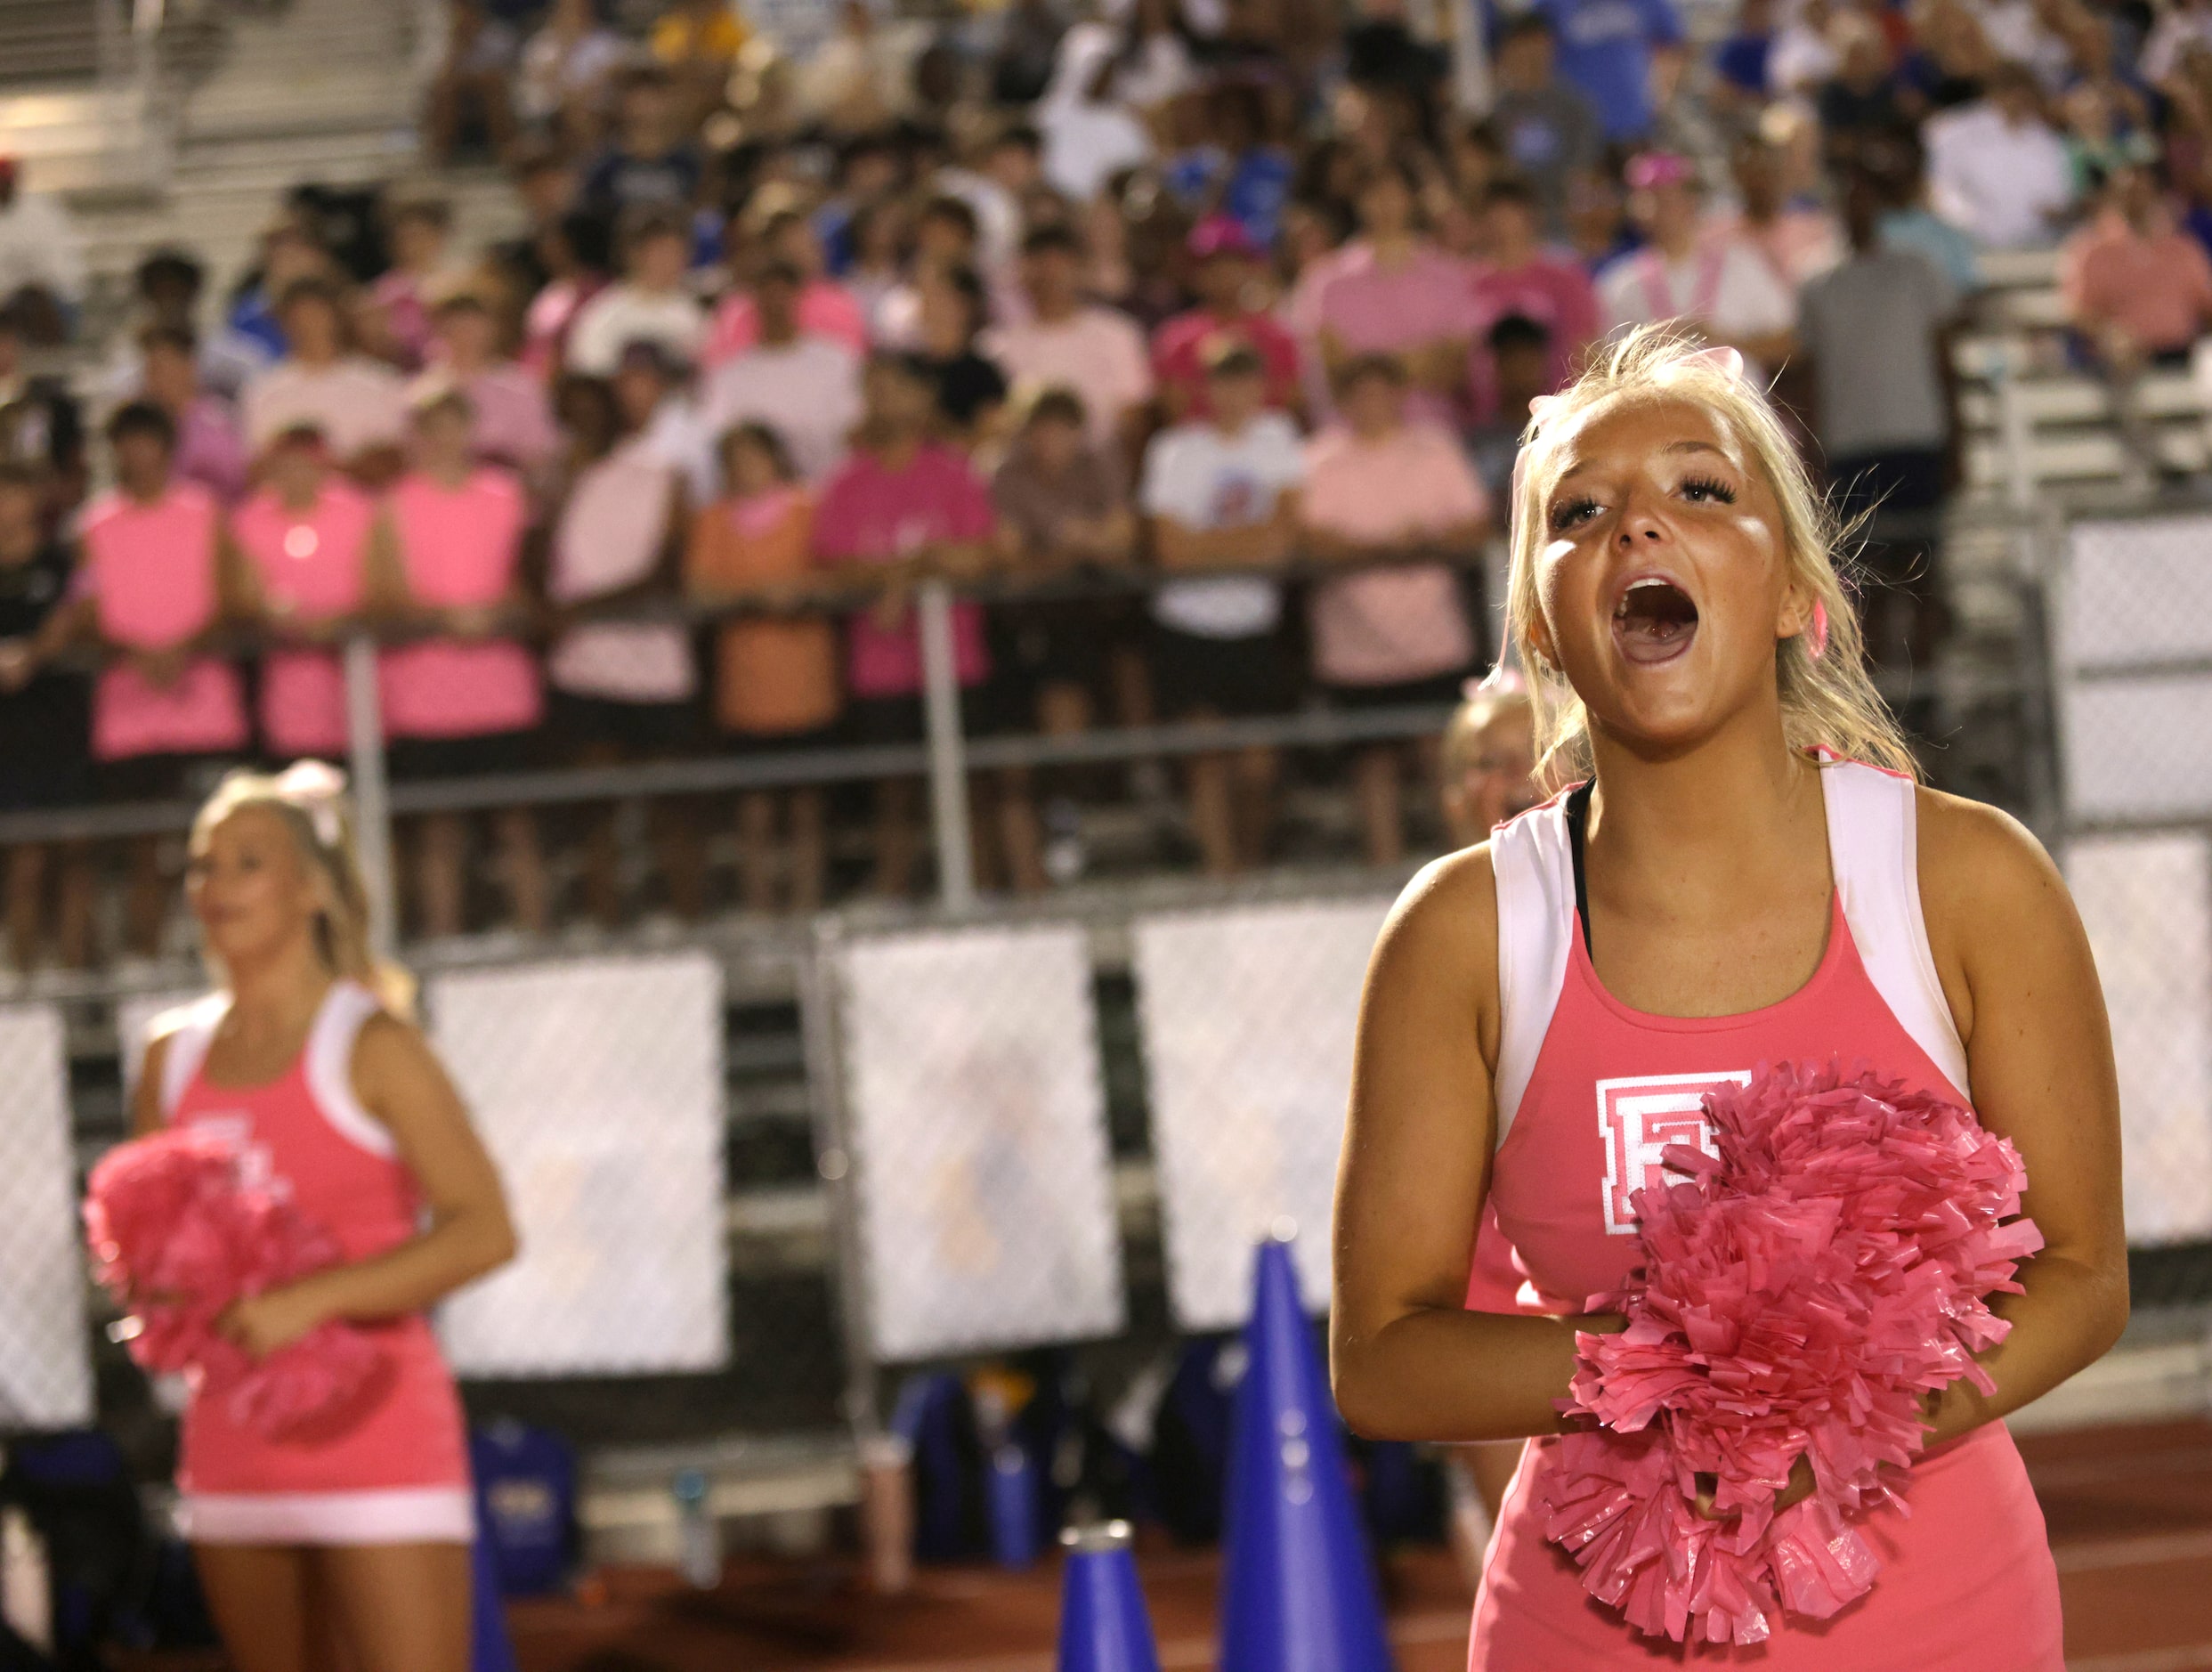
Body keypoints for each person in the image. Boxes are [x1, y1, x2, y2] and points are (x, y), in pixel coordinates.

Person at [1330, 329, 2122, 1668]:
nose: (1638, 518)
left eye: (1702, 489)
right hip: (1586, 1624)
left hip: (1942, 1620)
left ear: (1793, 590)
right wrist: (1678, 1372)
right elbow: (1384, 1356)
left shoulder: (1969, 879)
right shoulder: (1460, 933)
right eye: (1579, 512)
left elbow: (2085, 1274)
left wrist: (1844, 1407)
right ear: (1538, 620)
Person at [131, 767, 515, 1672]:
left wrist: (312, 1301)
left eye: (246, 864)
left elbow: (484, 1228)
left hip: (379, 1436)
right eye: (201, 866)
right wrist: (159, 1285)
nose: (214, 888)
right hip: (230, 1440)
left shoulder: (374, 1044)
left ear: (310, 889)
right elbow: (146, 1248)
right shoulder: (169, 1059)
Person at [53, 404, 250, 962]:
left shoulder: (205, 513)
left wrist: (182, 649)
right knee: (143, 843)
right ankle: (147, 955)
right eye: (125, 444)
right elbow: (84, 613)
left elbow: (232, 593)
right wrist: (137, 653)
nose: (137, 455)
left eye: (147, 442)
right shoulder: (93, 525)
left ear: (168, 448)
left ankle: (225, 953)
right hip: (128, 713)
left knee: (222, 843)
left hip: (207, 707)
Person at [813, 353, 1001, 899]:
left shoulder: (953, 473)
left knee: (971, 784)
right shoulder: (846, 482)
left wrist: (898, 579)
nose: (882, 400)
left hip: (955, 659)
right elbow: (834, 565)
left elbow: (979, 556)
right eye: (873, 388)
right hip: (880, 664)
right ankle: (894, 893)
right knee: (893, 789)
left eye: (895, 387)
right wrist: (919, 567)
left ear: (922, 400)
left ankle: (984, 890)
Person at [1301, 354, 1489, 868]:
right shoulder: (1319, 461)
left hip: (1436, 640)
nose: (1371, 405)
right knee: (1372, 765)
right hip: (1354, 648)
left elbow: (1475, 525)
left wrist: (1420, 539)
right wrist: (1388, 547)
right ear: (1342, 402)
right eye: (1359, 394)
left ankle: (1461, 878)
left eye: (1381, 392)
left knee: (1444, 761)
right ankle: (1383, 878)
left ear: (1399, 396)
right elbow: (1311, 540)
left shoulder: (1435, 450)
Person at [381, 391, 547, 941]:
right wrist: (448, 619)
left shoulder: (506, 496)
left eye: (454, 425)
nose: (443, 439)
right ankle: (447, 945)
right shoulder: (394, 504)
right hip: (424, 698)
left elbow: (529, 587)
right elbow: (384, 595)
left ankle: (535, 937)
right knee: (438, 827)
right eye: (432, 427)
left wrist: (496, 614)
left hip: (500, 690)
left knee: (516, 823)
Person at [1139, 342, 1304, 878]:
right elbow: (1168, 550)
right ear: (1202, 390)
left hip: (1255, 627)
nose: (1233, 395)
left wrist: (1205, 546)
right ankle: (1222, 874)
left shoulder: (1277, 438)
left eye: (1243, 381)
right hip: (1187, 625)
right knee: (1205, 761)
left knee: (1258, 766)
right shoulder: (1172, 450)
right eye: (1221, 382)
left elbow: (1284, 541)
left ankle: (1250, 866)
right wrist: (1247, 545)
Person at [543, 373, 700, 927]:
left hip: (657, 667)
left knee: (672, 808)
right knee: (595, 810)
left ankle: (688, 923)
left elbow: (666, 570)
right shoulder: (557, 481)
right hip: (582, 669)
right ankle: (607, 926)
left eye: (594, 409)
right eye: (572, 412)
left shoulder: (663, 477)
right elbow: (537, 561)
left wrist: (582, 611)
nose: (584, 422)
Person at [1799, 170, 1958, 670]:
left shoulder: (1917, 272)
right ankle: (1879, 709)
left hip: (1917, 441)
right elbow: (1809, 378)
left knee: (1923, 577)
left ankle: (1929, 700)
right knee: (1864, 589)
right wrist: (1814, 455)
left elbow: (1944, 361)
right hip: (1852, 448)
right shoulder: (1815, 285)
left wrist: (1958, 441)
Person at [685, 422, 839, 913]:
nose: (747, 469)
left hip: (806, 681)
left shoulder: (809, 509)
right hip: (745, 686)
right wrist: (760, 596)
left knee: (806, 806)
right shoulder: (713, 520)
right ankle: (760, 909)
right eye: (736, 460)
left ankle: (807, 906)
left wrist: (795, 594)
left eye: (755, 457)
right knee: (754, 808)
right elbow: (700, 587)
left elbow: (834, 575)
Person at [991, 386, 1138, 889]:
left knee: (1068, 736)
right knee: (1013, 759)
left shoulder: (1098, 467)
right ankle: (1029, 872)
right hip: (1016, 630)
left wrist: (1062, 549)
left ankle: (1069, 826)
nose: (1052, 440)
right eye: (1042, 428)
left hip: (1082, 623)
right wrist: (1073, 551)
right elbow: (1011, 565)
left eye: (1063, 428)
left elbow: (1122, 544)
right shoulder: (1005, 475)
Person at [230, 425, 379, 765]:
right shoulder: (250, 518)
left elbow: (382, 585)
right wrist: (271, 611)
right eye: (287, 465)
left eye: (306, 463)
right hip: (282, 687)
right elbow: (242, 592)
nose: (297, 474)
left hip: (357, 683)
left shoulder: (359, 511)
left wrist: (339, 620)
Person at [2060, 162, 2212, 480]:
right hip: (2123, 351)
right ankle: (2155, 467)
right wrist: (2112, 333)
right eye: (2128, 193)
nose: (2137, 200)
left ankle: (2204, 459)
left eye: (2144, 192)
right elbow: (2077, 311)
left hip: (2182, 349)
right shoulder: (2091, 250)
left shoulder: (2182, 248)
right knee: (2123, 366)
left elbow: (2206, 307)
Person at [0, 461, 93, 974]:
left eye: (13, 493)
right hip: (9, 732)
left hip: (60, 720)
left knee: (75, 855)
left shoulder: (60, 560)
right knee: (24, 860)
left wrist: (29, 657)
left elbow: (74, 612)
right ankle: (25, 987)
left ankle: (75, 983)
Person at [1599, 152, 1795, 379]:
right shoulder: (1621, 285)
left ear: (1693, 202)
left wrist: (1724, 340)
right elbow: (1608, 363)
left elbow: (1788, 343)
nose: (1663, 210)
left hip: (1734, 406)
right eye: (1652, 199)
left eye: (1671, 198)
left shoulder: (1741, 265)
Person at [1312, 161, 1479, 426]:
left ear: (1412, 199)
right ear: (1359, 201)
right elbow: (1339, 377)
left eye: (1394, 193)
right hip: (1355, 438)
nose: (1385, 204)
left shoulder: (1449, 276)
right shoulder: (1329, 280)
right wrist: (1418, 361)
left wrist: (1375, 369)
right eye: (1374, 194)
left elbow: (1453, 372)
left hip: (1434, 434)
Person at [984, 224, 1154, 459]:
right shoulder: (994, 347)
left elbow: (1133, 419)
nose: (1050, 275)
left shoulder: (1118, 334)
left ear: (1079, 269)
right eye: (1040, 265)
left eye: (1059, 265)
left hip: (1100, 473)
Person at [700, 262, 865, 482]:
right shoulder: (729, 375)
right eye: (767, 293)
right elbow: (722, 440)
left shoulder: (839, 362)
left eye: (784, 293)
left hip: (827, 490)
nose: (776, 303)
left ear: (799, 296)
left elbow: (856, 432)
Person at [240, 280, 409, 485]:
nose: (310, 324)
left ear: (337, 318)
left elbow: (396, 458)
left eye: (318, 314)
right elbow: (255, 464)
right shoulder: (264, 389)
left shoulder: (380, 383)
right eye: (300, 316)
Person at [1467, 182, 1598, 424]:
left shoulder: (1565, 278)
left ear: (1531, 216)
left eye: (1511, 215)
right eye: (1494, 217)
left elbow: (1585, 350)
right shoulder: (1469, 284)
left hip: (1559, 415)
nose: (1504, 226)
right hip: (1489, 422)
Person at [1152, 216, 1303, 424]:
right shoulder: (1175, 339)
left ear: (1249, 268)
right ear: (1195, 274)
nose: (1223, 273)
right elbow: (1175, 410)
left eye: (1232, 264)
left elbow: (1290, 404)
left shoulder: (1278, 336)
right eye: (1212, 266)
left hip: (1264, 447)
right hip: (1200, 450)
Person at [1924, 62, 2075, 248]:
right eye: (2009, 91)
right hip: (1974, 246)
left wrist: (2058, 211)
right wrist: (1971, 226)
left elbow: (2060, 195)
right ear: (1993, 93)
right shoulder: (1955, 133)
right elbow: (1941, 190)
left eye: (2024, 94)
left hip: (2039, 247)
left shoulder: (2047, 141)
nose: (2016, 100)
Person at [420, 292, 560, 481]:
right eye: (458, 328)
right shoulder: (422, 391)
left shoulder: (521, 386)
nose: (467, 337)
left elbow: (541, 452)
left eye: (473, 327)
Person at [1487, 16, 1603, 236]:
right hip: (1511, 232)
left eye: (1538, 45)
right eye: (1522, 46)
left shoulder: (1577, 108)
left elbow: (1583, 175)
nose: (1530, 55)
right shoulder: (1499, 112)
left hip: (1564, 230)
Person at [564, 207, 707, 377]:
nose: (671, 261)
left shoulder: (693, 314)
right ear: (634, 254)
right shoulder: (602, 314)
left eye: (677, 252)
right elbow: (588, 371)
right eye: (661, 251)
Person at [1524, 0, 1683, 146]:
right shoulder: (1551, 4)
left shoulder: (1650, 3)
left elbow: (1675, 46)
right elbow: (1528, 48)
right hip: (1572, 127)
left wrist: (1662, 96)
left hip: (1634, 125)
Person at [579, 66, 703, 223]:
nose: (646, 107)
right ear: (623, 104)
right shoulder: (604, 166)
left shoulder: (689, 162)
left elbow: (701, 214)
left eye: (653, 97)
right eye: (638, 98)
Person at [142, 326, 249, 507]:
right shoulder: (143, 426)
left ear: (188, 366)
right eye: (150, 369)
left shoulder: (221, 417)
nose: (153, 377)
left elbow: (236, 480)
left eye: (161, 367)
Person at [908, 265, 1012, 448]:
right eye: (925, 294)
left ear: (966, 304)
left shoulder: (984, 375)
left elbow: (988, 438)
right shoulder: (903, 369)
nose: (929, 302)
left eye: (939, 294)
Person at [1437, 670, 1538, 848]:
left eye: (1539, 753)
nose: (1519, 770)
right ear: (1456, 803)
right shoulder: (1437, 876)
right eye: (1492, 761)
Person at [516, 0, 625, 151]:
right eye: (570, 10)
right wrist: (566, 47)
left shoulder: (607, 41)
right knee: (575, 113)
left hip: (598, 109)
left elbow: (610, 77)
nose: (576, 15)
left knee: (581, 113)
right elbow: (539, 80)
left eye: (581, 9)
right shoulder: (542, 44)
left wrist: (578, 97)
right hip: (552, 111)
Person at [368, 200, 460, 374]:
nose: (415, 245)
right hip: (400, 369)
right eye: (407, 238)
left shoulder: (458, 282)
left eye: (422, 236)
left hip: (450, 368)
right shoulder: (384, 288)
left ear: (438, 237)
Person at [0, 156, 85, 343]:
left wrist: (36, 287)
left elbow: (64, 268)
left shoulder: (45, 212)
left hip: (52, 300)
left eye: (6, 181)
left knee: (35, 305)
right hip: (7, 304)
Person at [424, 0, 520, 165]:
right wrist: (456, 49)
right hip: (457, 101)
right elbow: (438, 79)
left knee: (492, 85)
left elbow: (505, 75)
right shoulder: (442, 41)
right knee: (447, 90)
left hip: (492, 100)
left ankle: (506, 151)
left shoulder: (500, 36)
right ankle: (441, 154)